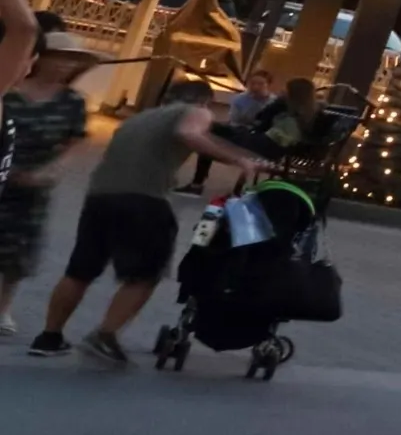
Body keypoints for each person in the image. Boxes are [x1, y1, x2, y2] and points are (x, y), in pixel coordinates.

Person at [38, 83, 269, 368]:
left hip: (99, 196)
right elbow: (189, 133)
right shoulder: (194, 111)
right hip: (144, 199)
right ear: (205, 102)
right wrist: (238, 161)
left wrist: (238, 151)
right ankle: (105, 335)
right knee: (147, 273)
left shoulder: (137, 119)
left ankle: (49, 336)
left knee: (80, 270)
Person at [0, 18, 98, 344]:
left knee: (19, 250)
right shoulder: (10, 91)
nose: (64, 65)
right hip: (3, 173)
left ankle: (3, 308)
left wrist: (52, 170)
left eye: (71, 60)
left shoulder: (72, 102)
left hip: (35, 185)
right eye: (59, 57)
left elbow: (75, 142)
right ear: (41, 57)